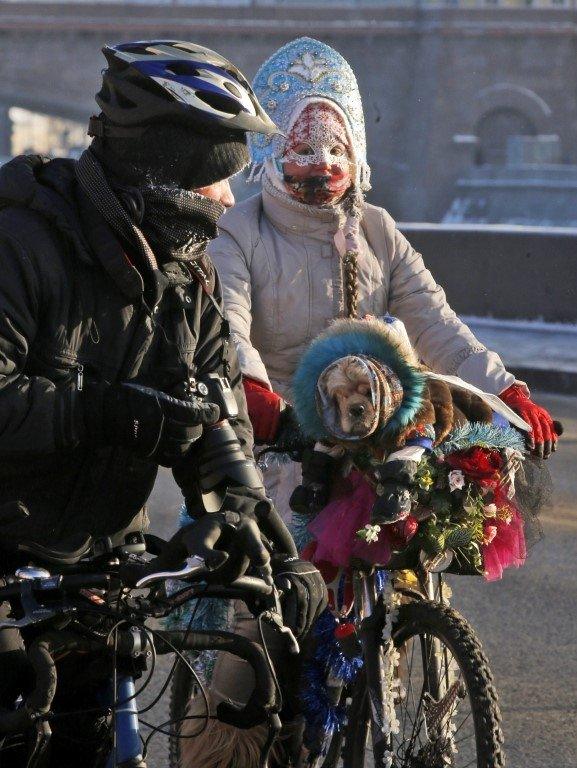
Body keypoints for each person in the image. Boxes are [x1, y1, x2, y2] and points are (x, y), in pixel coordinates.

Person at [0, 40, 326, 767]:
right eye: (216, 177)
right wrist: (108, 410)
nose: (228, 200)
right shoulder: (21, 241)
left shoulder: (186, 280)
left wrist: (260, 537)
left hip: (94, 576)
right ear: (165, 167)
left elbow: (214, 419)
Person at [208, 36, 559, 527]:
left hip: (381, 430)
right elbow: (228, 326)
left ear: (357, 152)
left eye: (336, 148)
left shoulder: (377, 231)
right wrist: (251, 392)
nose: (325, 164)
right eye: (304, 149)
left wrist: (505, 393)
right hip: (281, 440)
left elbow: (436, 325)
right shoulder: (237, 232)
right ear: (271, 152)